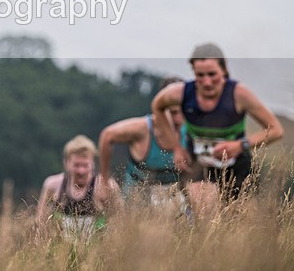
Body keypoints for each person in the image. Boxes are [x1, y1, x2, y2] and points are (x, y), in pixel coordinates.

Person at [151, 43, 284, 217]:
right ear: (193, 72)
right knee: (207, 221)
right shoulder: (181, 93)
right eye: (200, 75)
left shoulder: (239, 94)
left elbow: (275, 130)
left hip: (237, 167)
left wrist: (239, 145)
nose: (207, 82)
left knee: (237, 226)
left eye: (212, 74)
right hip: (199, 166)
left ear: (224, 70)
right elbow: (157, 106)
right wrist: (176, 148)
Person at [98, 76, 186, 207]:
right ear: (161, 107)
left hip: (173, 204)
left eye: (182, 111)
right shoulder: (143, 129)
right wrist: (104, 181)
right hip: (137, 202)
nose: (178, 119)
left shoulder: (190, 131)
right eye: (173, 113)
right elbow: (107, 136)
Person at [36, 135, 121, 240]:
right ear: (66, 163)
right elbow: (40, 221)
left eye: (85, 165)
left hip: (96, 249)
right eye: (76, 165)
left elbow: (121, 221)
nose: (81, 171)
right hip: (61, 250)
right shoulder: (52, 185)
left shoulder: (107, 186)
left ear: (93, 164)